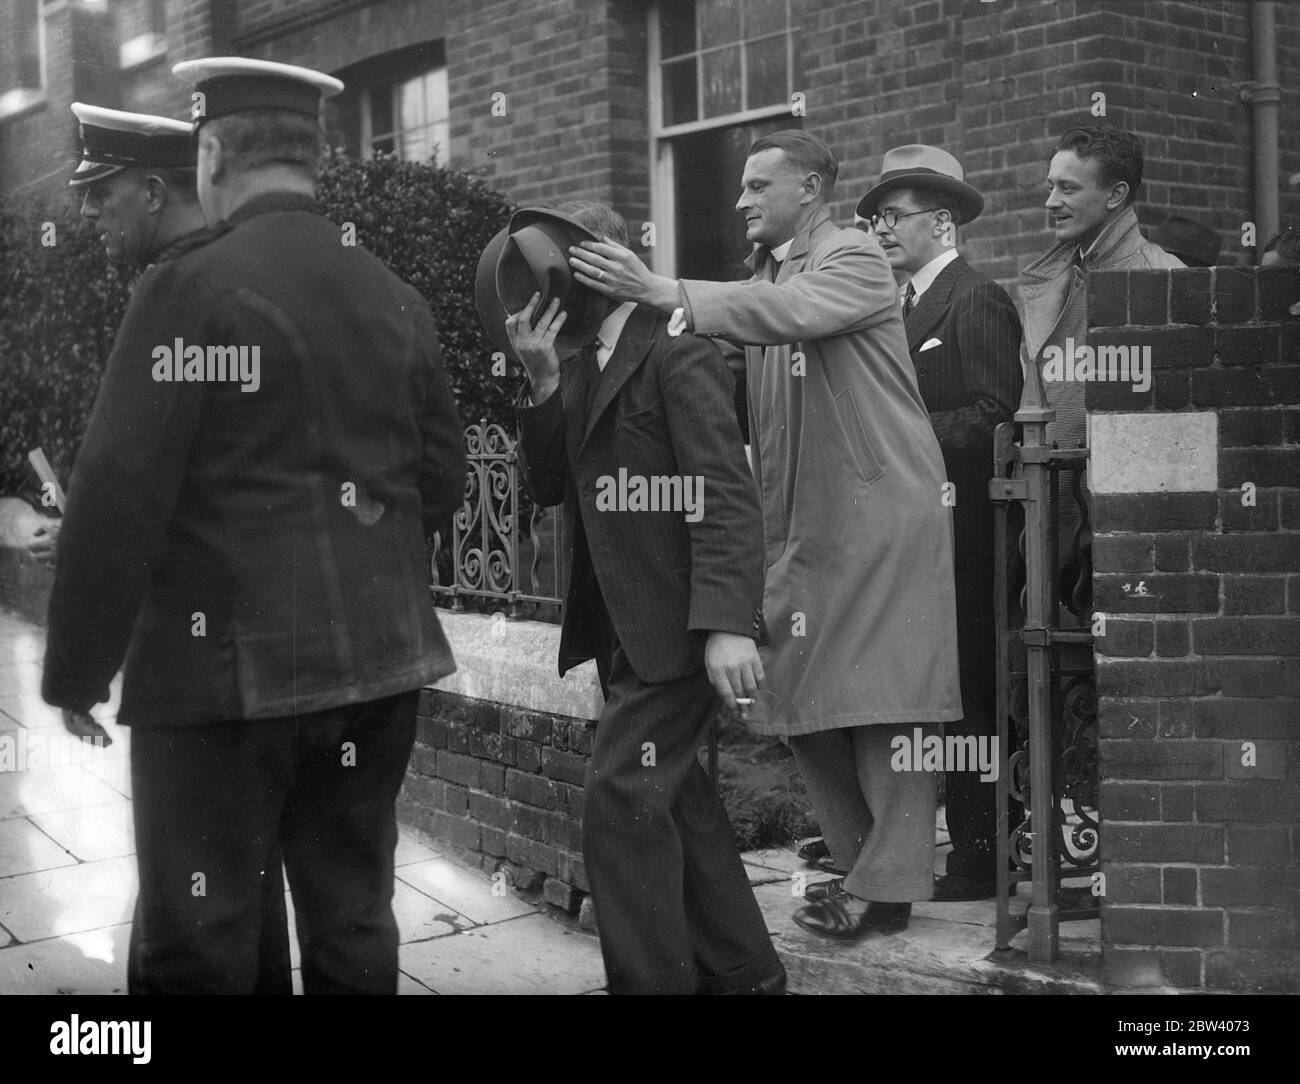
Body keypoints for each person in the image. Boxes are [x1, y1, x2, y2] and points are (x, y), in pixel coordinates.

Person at [41, 57, 466, 994]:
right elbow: (441, 478)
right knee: (354, 917)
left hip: (225, 685)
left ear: (212, 153)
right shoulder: (396, 293)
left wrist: (78, 667)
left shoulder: (188, 289)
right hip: (380, 674)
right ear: (316, 158)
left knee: (202, 940)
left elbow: (118, 495)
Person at [569, 130, 962, 942]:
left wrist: (663, 289)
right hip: (802, 526)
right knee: (799, 697)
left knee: (887, 701)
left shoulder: (851, 256)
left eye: (758, 185)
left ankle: (885, 888)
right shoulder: (764, 277)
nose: (741, 199)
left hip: (881, 515)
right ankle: (861, 871)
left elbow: (786, 316)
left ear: (811, 189)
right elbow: (726, 380)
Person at [491, 201, 783, 994]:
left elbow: (726, 494)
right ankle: (748, 974)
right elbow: (550, 485)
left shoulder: (677, 354)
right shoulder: (584, 361)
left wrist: (728, 625)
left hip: (679, 626)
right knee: (674, 797)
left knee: (621, 802)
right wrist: (544, 380)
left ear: (606, 263)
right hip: (622, 629)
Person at [857, 145, 1024, 901]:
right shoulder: (892, 305)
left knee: (970, 691)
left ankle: (981, 857)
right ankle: (910, 844)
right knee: (920, 690)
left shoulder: (975, 299)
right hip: (908, 535)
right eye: (875, 217)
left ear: (944, 222)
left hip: (963, 537)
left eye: (895, 216)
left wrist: (898, 432)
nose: (881, 229)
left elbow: (996, 419)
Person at [27, 104, 210, 580]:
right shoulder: (202, 275)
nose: (87, 211)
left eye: (100, 191)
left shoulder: (176, 291)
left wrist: (85, 538)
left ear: (152, 194)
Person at [1019, 125, 1184, 454]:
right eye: (1051, 187)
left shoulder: (1164, 278)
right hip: (1046, 492)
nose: (1051, 202)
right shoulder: (1050, 280)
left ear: (1115, 195)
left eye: (1068, 188)